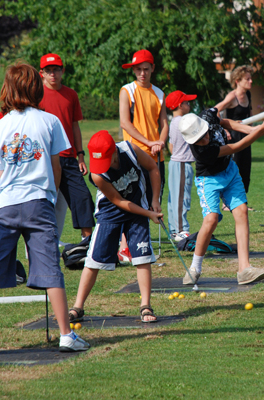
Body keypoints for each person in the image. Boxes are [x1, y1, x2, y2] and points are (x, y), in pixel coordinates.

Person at [0, 62, 89, 353]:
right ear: (36, 87)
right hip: (39, 203)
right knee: (50, 269)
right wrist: (49, 195)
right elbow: (56, 168)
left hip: (6, 206)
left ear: (8, 88)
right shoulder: (50, 121)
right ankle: (66, 335)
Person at [68, 130, 162, 323]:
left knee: (142, 257)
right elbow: (119, 201)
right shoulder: (97, 175)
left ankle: (146, 306)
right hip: (110, 212)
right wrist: (149, 214)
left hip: (139, 206)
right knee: (93, 260)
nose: (101, 166)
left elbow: (153, 168)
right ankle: (78, 307)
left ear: (114, 152)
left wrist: (155, 200)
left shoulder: (130, 150)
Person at [178, 108, 264, 285]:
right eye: (199, 140)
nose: (205, 139)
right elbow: (238, 147)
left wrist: (254, 129)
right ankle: (195, 268)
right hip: (209, 180)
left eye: (204, 134)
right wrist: (262, 130)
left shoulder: (208, 116)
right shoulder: (202, 152)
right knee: (211, 219)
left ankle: (244, 269)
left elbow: (227, 123)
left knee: (242, 212)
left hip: (230, 172)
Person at [118, 49, 169, 262]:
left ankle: (140, 245)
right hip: (133, 154)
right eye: (138, 69)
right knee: (132, 200)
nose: (142, 73)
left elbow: (164, 123)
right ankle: (124, 248)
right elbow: (125, 123)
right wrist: (149, 142)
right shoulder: (127, 91)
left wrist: (161, 142)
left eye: (145, 69)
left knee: (153, 201)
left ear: (152, 69)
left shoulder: (159, 93)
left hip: (156, 155)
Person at [39, 53, 95, 240]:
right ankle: (40, 246)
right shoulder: (36, 95)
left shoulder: (71, 94)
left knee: (83, 197)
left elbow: (74, 125)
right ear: (42, 74)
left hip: (69, 158)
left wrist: (80, 155)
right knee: (45, 203)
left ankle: (86, 245)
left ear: (62, 71)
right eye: (48, 71)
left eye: (56, 70)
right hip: (45, 158)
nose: (52, 74)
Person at [215, 65, 255, 204]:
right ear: (237, 80)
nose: (251, 81)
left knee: (245, 169)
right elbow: (215, 110)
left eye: (251, 79)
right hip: (233, 138)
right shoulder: (232, 96)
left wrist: (253, 129)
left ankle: (242, 202)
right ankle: (229, 203)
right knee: (234, 169)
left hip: (245, 136)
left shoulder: (248, 95)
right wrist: (224, 128)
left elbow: (250, 116)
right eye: (247, 79)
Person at [165, 90, 196, 242]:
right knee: (181, 198)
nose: (189, 105)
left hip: (176, 162)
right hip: (182, 163)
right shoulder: (183, 121)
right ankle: (180, 230)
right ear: (179, 105)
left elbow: (170, 146)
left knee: (175, 197)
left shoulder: (174, 122)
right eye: (186, 102)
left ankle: (175, 229)